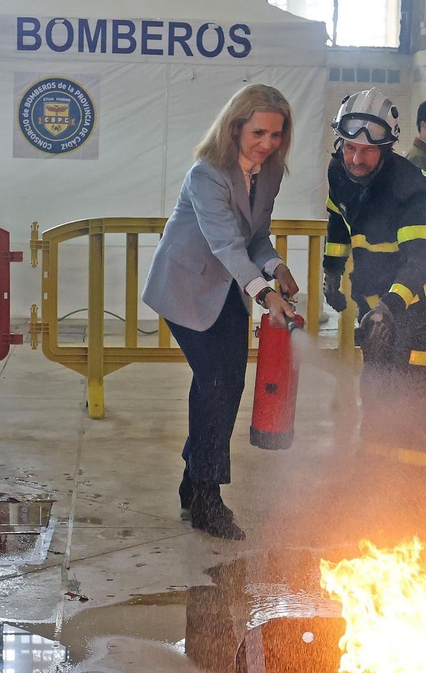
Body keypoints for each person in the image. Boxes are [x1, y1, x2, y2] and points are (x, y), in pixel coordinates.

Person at [141, 84, 300, 540]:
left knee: (228, 385)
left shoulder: (270, 173)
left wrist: (276, 266)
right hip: (186, 286)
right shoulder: (206, 174)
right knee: (215, 382)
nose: (268, 143)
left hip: (230, 284)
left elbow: (255, 237)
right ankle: (207, 498)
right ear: (235, 128)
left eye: (277, 134)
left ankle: (194, 482)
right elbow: (226, 243)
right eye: (259, 132)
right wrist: (265, 294)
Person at [323, 89, 426, 468]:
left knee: (411, 386)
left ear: (387, 148)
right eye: (349, 148)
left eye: (367, 151)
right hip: (378, 298)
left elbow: (420, 262)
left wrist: (388, 307)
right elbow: (338, 222)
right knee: (377, 381)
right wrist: (332, 271)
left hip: (422, 303)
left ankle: (410, 479)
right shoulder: (338, 171)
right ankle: (375, 467)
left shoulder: (410, 186)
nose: (356, 159)